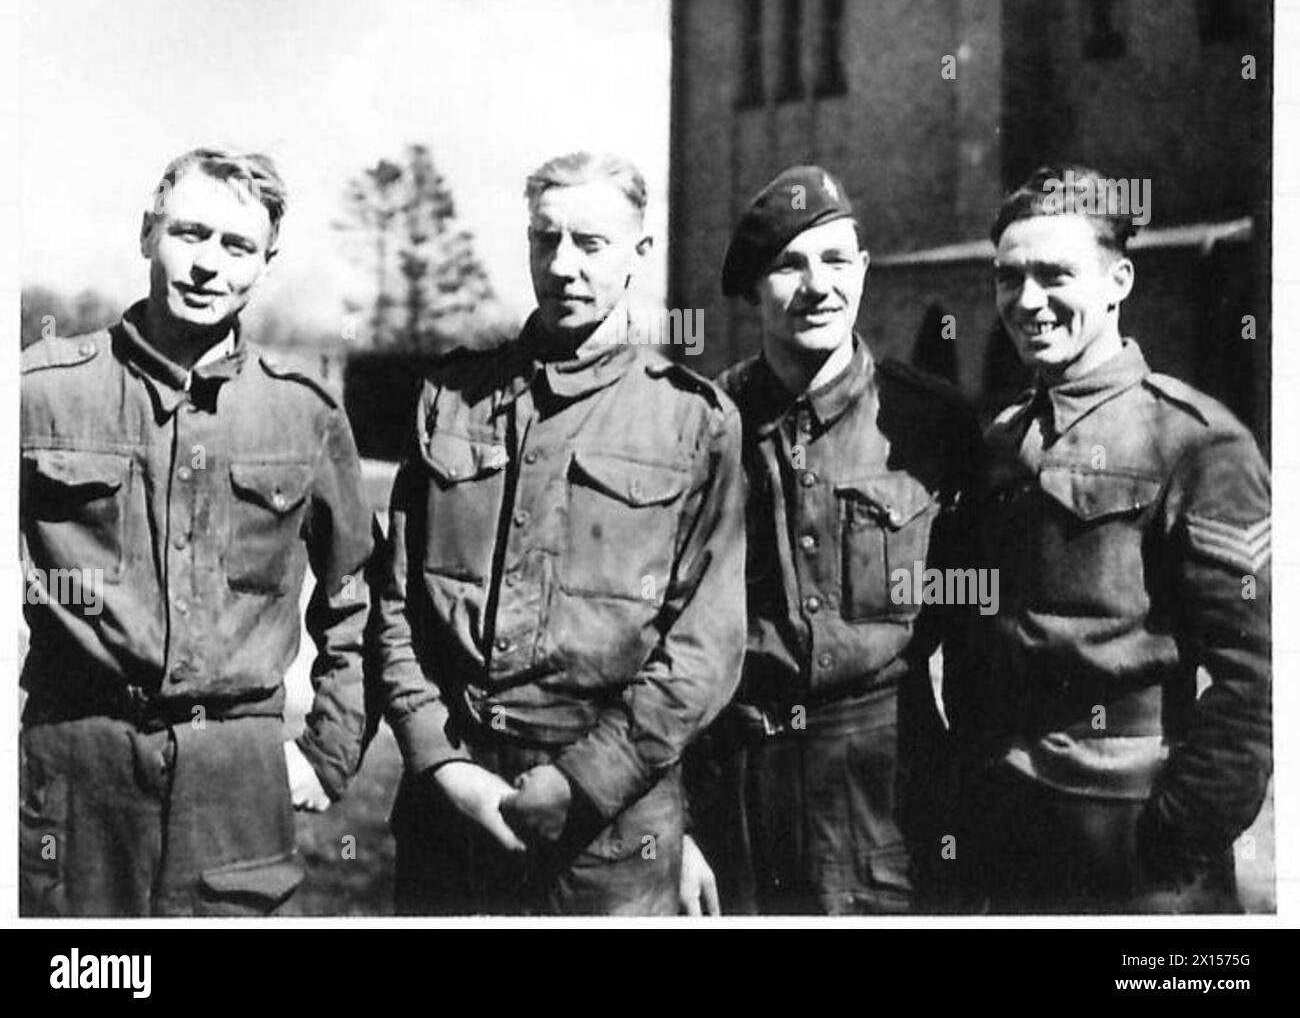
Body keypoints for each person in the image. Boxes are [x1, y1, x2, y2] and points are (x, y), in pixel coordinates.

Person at [371, 151, 746, 915]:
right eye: (547, 239)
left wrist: (582, 781)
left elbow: (704, 647)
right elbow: (394, 603)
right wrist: (441, 762)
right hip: (452, 815)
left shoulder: (692, 420)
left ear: (640, 255)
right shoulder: (452, 399)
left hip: (607, 835)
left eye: (591, 243)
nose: (564, 265)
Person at [20, 148, 373, 916]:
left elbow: (359, 598)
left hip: (235, 785)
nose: (209, 264)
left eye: (237, 246)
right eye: (191, 234)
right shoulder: (39, 394)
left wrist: (331, 751)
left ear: (265, 263)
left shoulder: (304, 411)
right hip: (75, 769)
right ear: (148, 233)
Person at [948, 164, 1271, 912]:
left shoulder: (1194, 440)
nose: (1026, 301)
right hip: (1008, 822)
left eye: (1055, 274)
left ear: (1117, 280)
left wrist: (1177, 837)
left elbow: (1252, 675)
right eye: (1008, 278)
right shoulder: (1001, 441)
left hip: (1132, 825)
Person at [680, 165, 981, 915]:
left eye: (836, 261)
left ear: (865, 272)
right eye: (789, 264)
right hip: (738, 785)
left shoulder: (931, 425)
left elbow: (977, 631)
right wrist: (675, 826)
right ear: (753, 288)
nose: (818, 286)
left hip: (890, 781)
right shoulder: (702, 430)